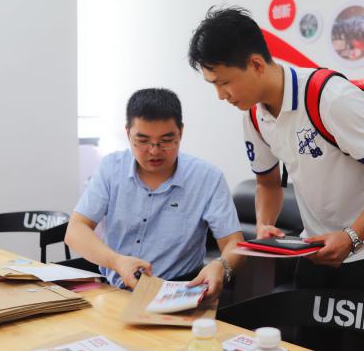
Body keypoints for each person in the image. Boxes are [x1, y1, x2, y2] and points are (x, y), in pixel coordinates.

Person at [188, 7, 364, 349]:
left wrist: (352, 236)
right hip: (316, 248)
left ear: (256, 64)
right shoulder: (254, 116)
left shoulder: (331, 99)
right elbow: (267, 183)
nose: (221, 95)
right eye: (214, 85)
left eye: (224, 82)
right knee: (308, 343)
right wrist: (264, 224)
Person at [65, 88, 244, 300]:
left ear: (181, 132)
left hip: (179, 294)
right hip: (114, 292)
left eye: (166, 140)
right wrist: (117, 261)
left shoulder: (207, 178)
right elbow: (76, 230)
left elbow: (234, 242)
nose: (154, 151)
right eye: (143, 141)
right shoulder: (111, 168)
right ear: (128, 133)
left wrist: (221, 265)